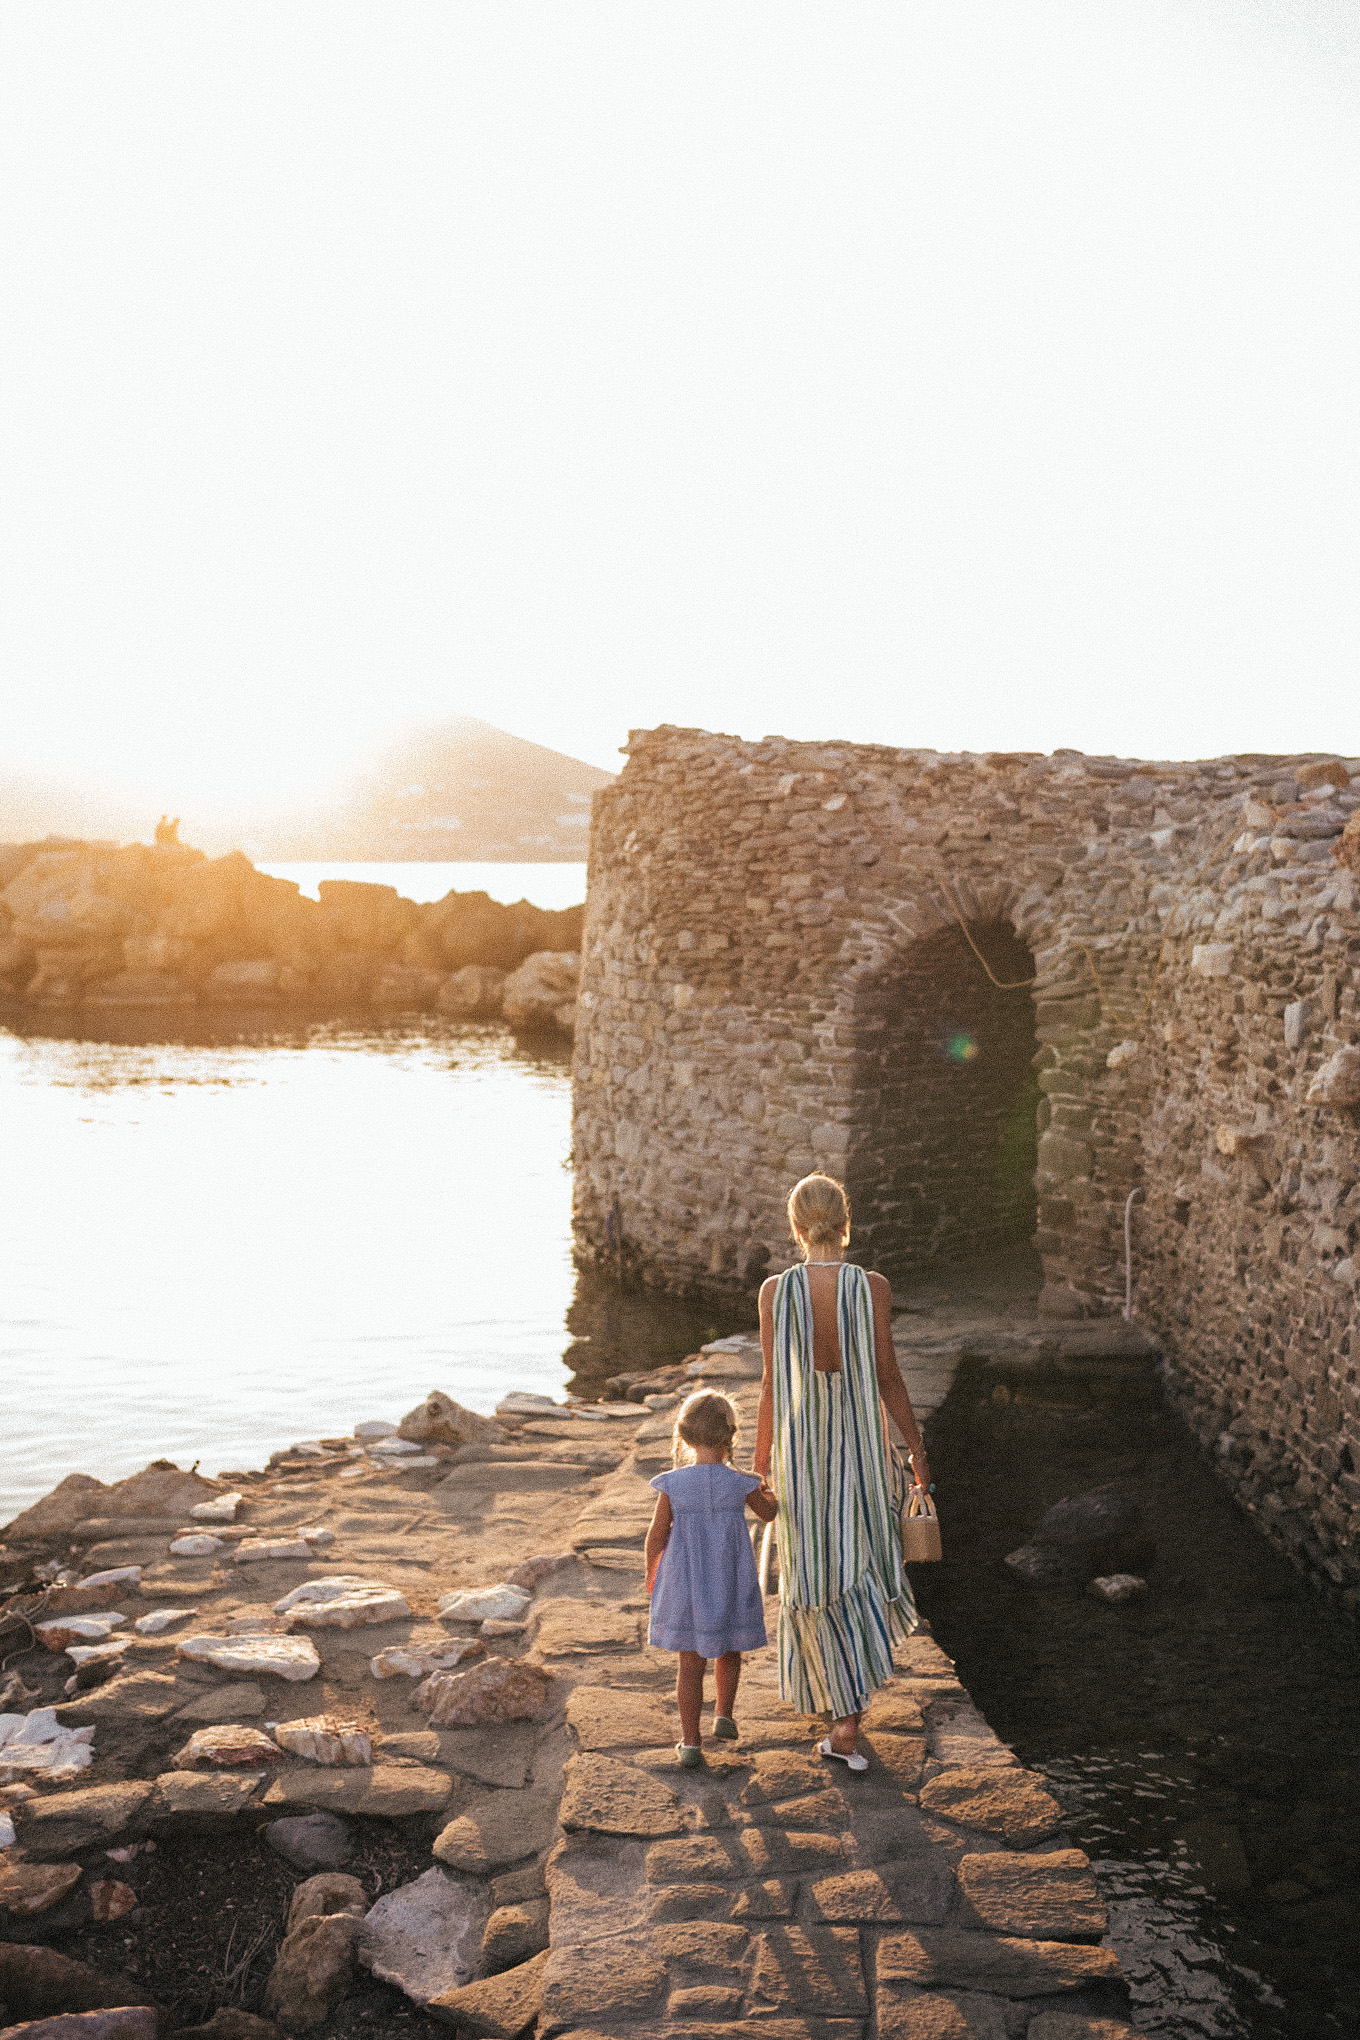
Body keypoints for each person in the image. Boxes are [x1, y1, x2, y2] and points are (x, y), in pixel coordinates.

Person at [753, 1172, 933, 1772]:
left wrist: (758, 1471)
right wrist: (917, 1452)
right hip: (858, 1452)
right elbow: (888, 1377)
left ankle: (840, 1718)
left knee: (813, 1577)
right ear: (845, 1221)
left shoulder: (775, 1293)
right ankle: (848, 1718)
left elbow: (771, 1390)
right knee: (857, 1569)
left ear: (796, 1227)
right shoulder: (871, 1287)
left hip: (802, 1458)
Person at [644, 1389, 778, 1767]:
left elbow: (657, 1535)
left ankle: (690, 1743)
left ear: (683, 1436)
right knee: (730, 1650)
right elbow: (768, 1514)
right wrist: (770, 1491)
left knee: (689, 1663)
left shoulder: (672, 1483)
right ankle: (724, 1714)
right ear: (731, 1437)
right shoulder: (742, 1483)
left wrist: (652, 1571)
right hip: (729, 1581)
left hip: (686, 1585)